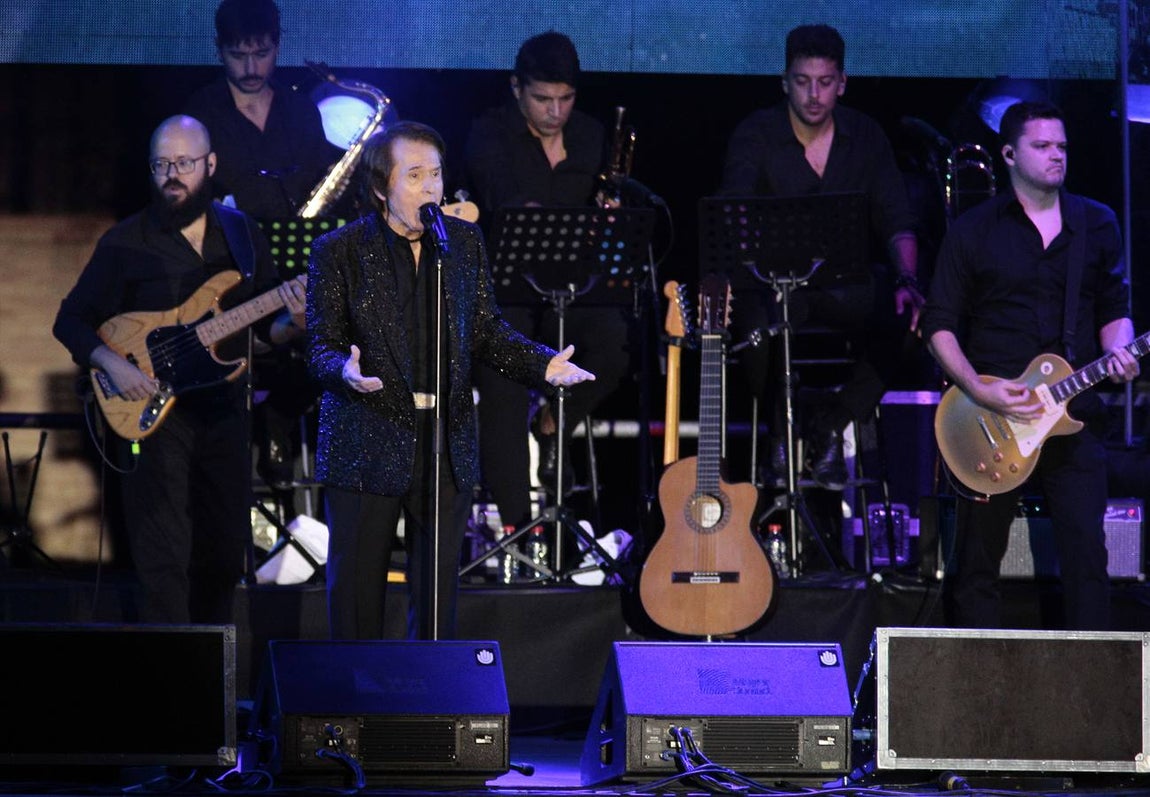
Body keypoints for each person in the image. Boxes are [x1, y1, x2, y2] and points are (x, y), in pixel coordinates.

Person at [307, 121, 595, 640]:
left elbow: (485, 330)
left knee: (437, 599)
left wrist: (541, 364)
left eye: (436, 175)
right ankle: (350, 712)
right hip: (365, 436)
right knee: (355, 596)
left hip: (444, 436)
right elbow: (320, 345)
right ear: (380, 187)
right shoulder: (340, 251)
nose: (431, 189)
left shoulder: (461, 243)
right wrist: (343, 371)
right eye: (414, 175)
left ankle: (429, 713)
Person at [52, 115, 307, 624]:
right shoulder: (125, 241)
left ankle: (214, 678)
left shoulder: (241, 234)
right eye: (161, 164)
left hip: (225, 411)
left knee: (222, 552)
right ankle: (169, 689)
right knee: (162, 558)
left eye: (184, 163)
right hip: (154, 412)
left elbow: (261, 331)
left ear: (210, 164)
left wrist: (291, 323)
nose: (173, 174)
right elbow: (71, 321)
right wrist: (112, 364)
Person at [921, 100, 1138, 630]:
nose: (1056, 156)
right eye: (1042, 146)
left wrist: (1121, 350)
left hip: (1074, 413)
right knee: (977, 562)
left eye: (1062, 146)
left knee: (1088, 557)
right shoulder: (974, 230)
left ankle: (1091, 686)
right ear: (1010, 154)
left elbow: (1114, 310)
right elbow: (939, 325)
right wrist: (979, 389)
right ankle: (976, 684)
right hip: (990, 416)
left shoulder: (1097, 223)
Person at [718, 23, 922, 490]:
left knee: (913, 324)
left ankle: (833, 421)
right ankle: (781, 433)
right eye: (803, 82)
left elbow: (896, 220)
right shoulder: (757, 134)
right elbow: (734, 210)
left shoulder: (865, 136)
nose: (814, 95)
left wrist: (908, 280)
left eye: (825, 83)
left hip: (842, 282)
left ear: (842, 84)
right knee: (755, 332)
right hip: (770, 284)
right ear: (784, 82)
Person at [465, 30, 631, 532]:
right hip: (510, 289)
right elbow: (500, 198)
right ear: (517, 88)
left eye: (564, 99)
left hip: (575, 288)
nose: (554, 112)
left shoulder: (592, 136)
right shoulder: (489, 133)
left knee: (615, 344)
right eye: (542, 99)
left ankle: (553, 423)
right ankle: (518, 528)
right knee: (502, 376)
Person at [184, 0, 341, 220]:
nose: (251, 69)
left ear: (277, 47)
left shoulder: (301, 111)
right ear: (219, 49)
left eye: (261, 54)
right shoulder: (199, 114)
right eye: (238, 56)